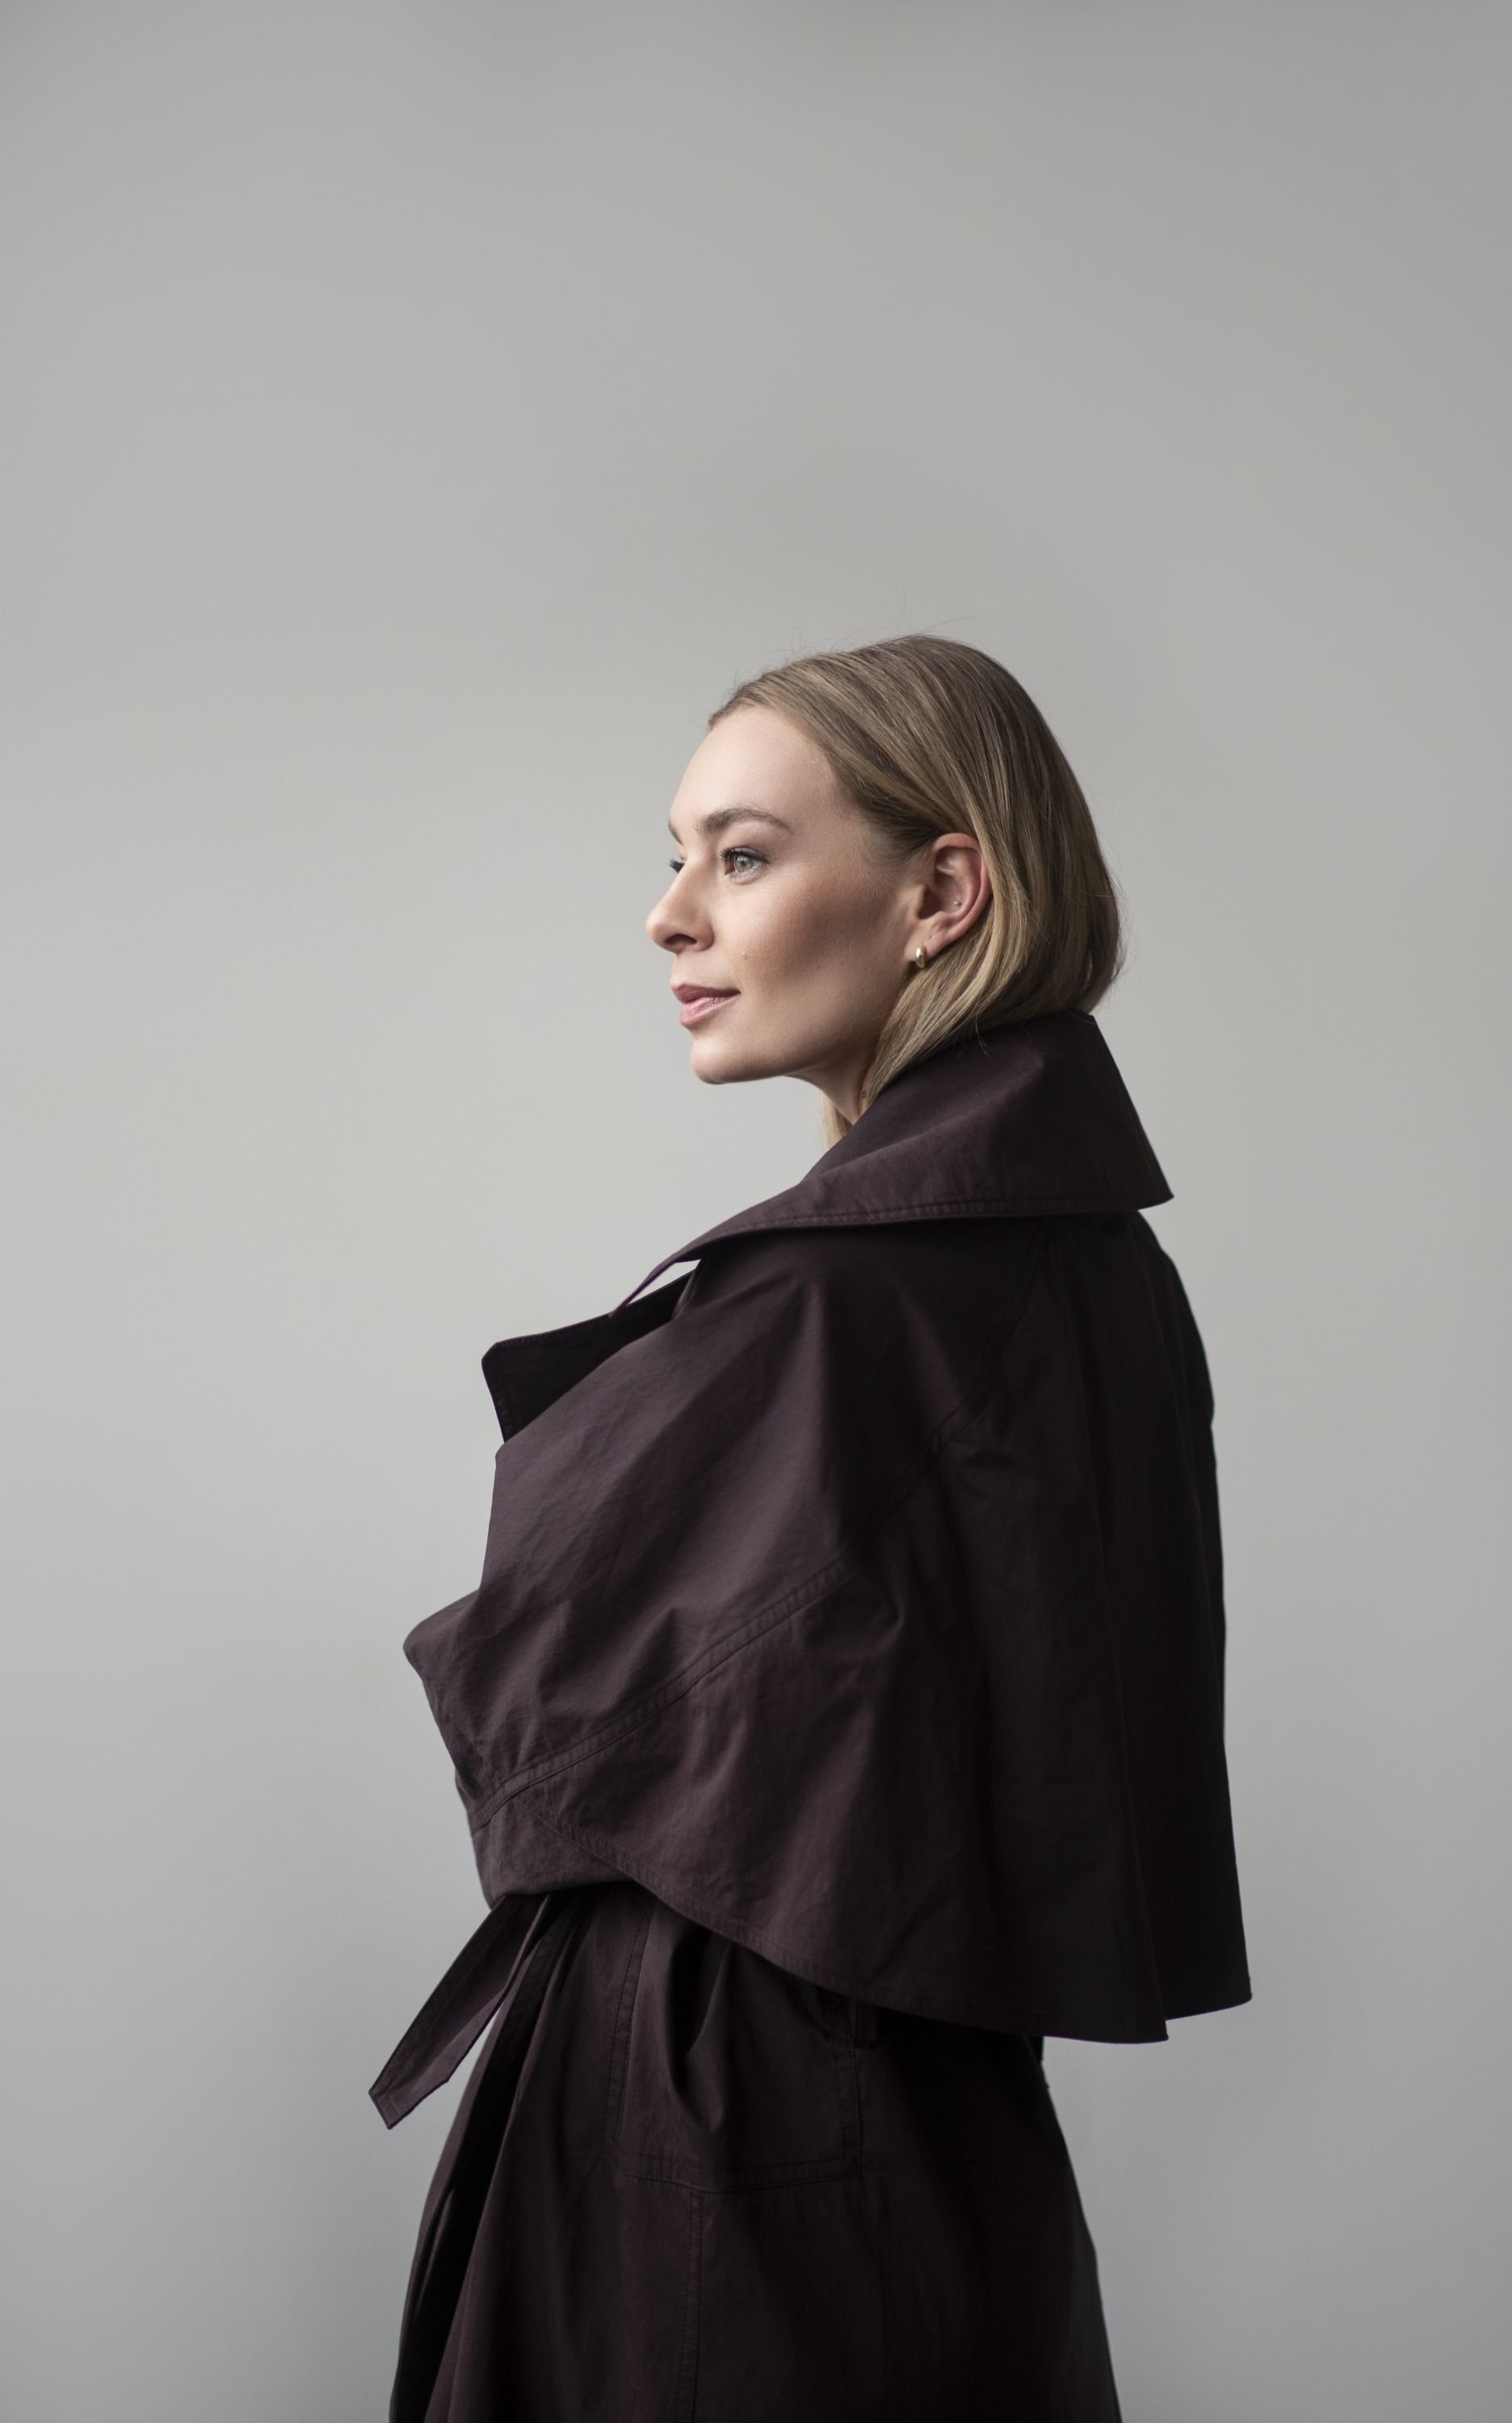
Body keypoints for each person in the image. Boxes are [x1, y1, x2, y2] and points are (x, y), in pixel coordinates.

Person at [370, 634, 1252, 2421]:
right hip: (865, 2111)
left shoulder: (872, 1304)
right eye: (675, 854)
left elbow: (574, 1703)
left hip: (735, 2127)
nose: (670, 917)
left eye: (744, 854)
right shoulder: (1080, 1266)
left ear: (941, 893)